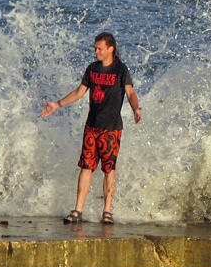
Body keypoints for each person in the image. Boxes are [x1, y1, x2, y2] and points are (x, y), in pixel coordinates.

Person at [41, 32, 142, 224]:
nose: (96, 51)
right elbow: (80, 92)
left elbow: (130, 92)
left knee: (108, 169)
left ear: (110, 49)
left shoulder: (120, 70)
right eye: (95, 48)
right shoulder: (92, 69)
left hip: (111, 129)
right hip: (92, 127)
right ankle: (78, 210)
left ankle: (107, 211)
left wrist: (136, 108)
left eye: (100, 48)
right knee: (86, 167)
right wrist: (58, 104)